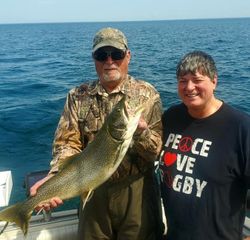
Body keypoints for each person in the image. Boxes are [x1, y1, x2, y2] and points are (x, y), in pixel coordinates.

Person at [30, 27, 164, 240]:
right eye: (102, 55)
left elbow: (155, 152)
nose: (109, 60)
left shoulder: (148, 94)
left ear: (128, 56)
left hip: (136, 190)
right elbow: (67, 144)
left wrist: (141, 133)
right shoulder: (77, 96)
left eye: (116, 54)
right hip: (91, 189)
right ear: (94, 59)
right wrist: (55, 177)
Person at [158, 50, 250, 240]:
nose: (189, 87)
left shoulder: (241, 127)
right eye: (183, 81)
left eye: (197, 80)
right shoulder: (171, 117)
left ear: (214, 81)